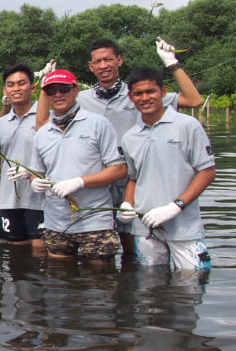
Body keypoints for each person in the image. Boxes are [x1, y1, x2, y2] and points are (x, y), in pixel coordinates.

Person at [76, 38, 203, 256]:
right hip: (97, 184)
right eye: (98, 61)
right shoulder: (80, 99)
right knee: (98, 250)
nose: (103, 65)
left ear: (120, 61)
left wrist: (172, 64)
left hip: (133, 182)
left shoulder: (140, 92)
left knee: (132, 249)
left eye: (109, 59)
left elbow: (194, 100)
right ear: (91, 66)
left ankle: (130, 284)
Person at [117, 68, 216, 271]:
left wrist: (176, 206)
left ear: (163, 91)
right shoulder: (130, 137)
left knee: (192, 284)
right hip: (145, 227)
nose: (145, 98)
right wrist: (127, 203)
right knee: (148, 289)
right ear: (130, 97)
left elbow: (207, 172)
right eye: (138, 93)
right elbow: (134, 177)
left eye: (150, 91)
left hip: (184, 227)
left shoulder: (188, 125)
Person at [30, 69, 126, 261]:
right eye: (51, 91)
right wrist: (34, 181)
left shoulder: (99, 124)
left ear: (75, 90)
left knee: (100, 280)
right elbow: (37, 172)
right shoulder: (41, 134)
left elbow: (119, 169)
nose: (57, 95)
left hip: (95, 219)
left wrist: (80, 182)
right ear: (46, 96)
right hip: (56, 221)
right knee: (59, 278)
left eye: (63, 89)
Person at [0, 63, 45, 248]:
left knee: (40, 250)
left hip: (40, 199)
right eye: (11, 85)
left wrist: (31, 173)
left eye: (22, 83)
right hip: (10, 201)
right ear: (5, 90)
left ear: (32, 87)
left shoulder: (45, 118)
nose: (16, 88)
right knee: (15, 254)